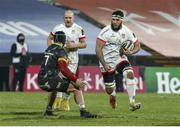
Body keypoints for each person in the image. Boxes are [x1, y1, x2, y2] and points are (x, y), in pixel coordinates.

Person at [39, 31, 97, 118]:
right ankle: (83, 111)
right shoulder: (61, 50)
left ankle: (48, 110)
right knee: (76, 88)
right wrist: (75, 79)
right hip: (50, 80)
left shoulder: (49, 48)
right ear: (63, 40)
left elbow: (54, 66)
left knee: (54, 90)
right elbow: (64, 69)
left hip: (41, 79)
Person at [96, 10, 141, 111]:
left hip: (119, 58)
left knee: (130, 74)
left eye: (117, 20)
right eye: (113, 19)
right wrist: (104, 64)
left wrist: (131, 52)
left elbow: (138, 45)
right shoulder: (105, 32)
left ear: (122, 20)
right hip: (106, 61)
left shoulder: (127, 31)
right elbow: (98, 49)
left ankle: (132, 103)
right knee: (109, 89)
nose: (115, 22)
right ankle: (112, 95)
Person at [47, 10, 87, 111]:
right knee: (60, 80)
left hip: (72, 60)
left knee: (68, 81)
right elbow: (49, 38)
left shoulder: (78, 29)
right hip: (60, 59)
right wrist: (52, 50)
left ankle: (64, 100)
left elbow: (84, 44)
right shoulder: (58, 28)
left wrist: (74, 45)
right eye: (66, 18)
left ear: (73, 18)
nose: (68, 20)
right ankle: (57, 102)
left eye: (70, 18)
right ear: (63, 18)